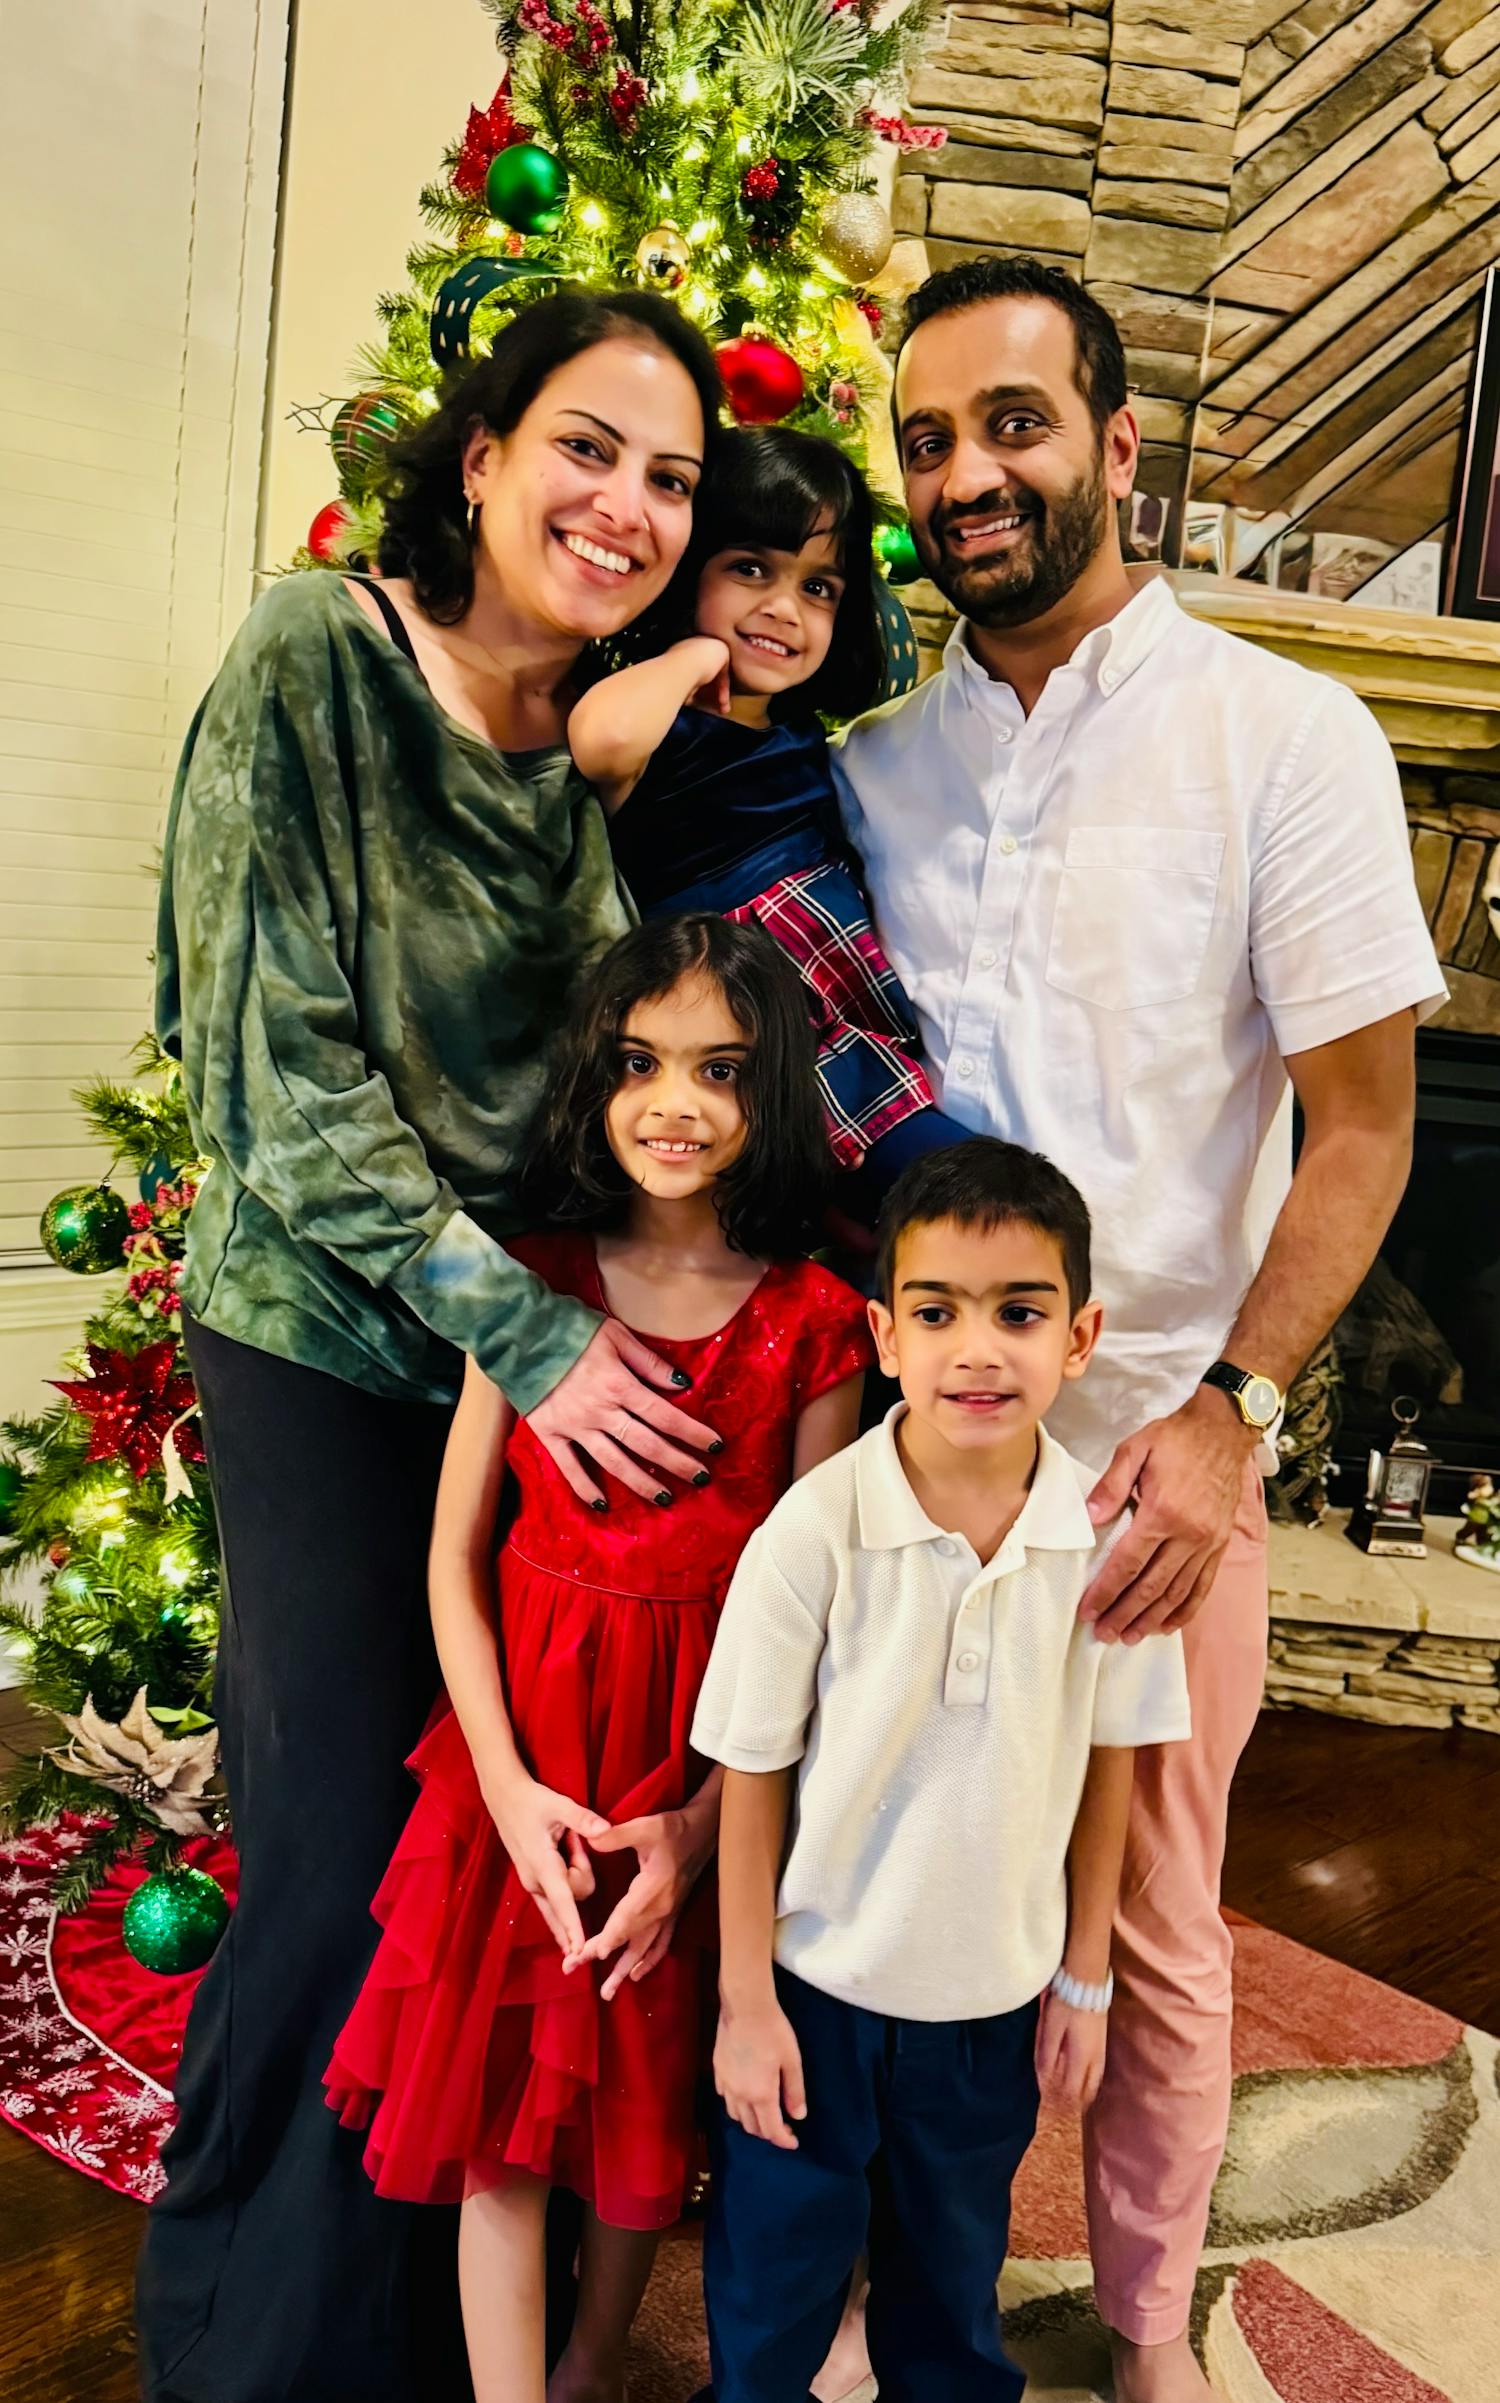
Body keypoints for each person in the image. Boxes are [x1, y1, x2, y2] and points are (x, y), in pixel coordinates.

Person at [832, 255, 1447, 2401]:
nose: (964, 472)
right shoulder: (869, 770)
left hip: (1153, 1462)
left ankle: (1141, 2317)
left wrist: (1234, 1411)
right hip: (902, 1452)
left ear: (1116, 445)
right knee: (866, 1902)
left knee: (1164, 1939)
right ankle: (843, 2290)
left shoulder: (1285, 738)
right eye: (926, 437)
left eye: (1012, 422)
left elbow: (1365, 1129)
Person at [145, 290, 733, 2403]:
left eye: (670, 478)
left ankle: (417, 2347)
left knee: (480, 1877)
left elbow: (628, 1087)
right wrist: (538, 1345)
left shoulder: (592, 751)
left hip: (518, 1371)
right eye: (588, 447)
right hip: (327, 1340)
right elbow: (272, 1083)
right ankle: (239, 2350)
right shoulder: (322, 655)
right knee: (326, 1877)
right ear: (478, 455)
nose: (629, 505)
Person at [324, 914, 872, 2403]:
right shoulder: (528, 1279)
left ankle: (582, 2368)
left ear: (773, 1094)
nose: (673, 1102)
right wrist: (502, 1787)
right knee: (495, 2121)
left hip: (695, 1777)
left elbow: (821, 1617)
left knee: (639, 2127)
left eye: (720, 1069)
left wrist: (698, 1831)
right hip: (523, 1772)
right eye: (639, 1063)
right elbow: (452, 1556)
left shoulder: (819, 1322)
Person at [692, 1138, 1192, 2402]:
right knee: (773, 2281)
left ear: (1078, 1338)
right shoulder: (814, 1530)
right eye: (938, 1312)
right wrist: (745, 2005)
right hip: (813, 1995)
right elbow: (750, 1776)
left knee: (955, 2285)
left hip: (988, 2004)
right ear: (883, 1336)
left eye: (1018, 1313)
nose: (978, 1349)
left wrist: (1088, 1973)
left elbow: (1113, 1767)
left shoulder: (1108, 1542)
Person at [569, 425, 968, 1202]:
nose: (786, 608)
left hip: (847, 1013)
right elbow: (600, 739)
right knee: (966, 1198)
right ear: (686, 569)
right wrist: (694, 655)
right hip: (758, 1035)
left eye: (819, 588)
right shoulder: (665, 725)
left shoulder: (802, 737)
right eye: (751, 569)